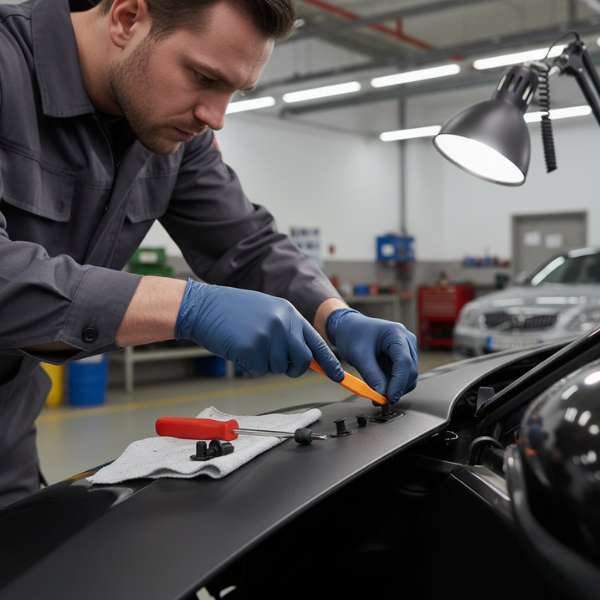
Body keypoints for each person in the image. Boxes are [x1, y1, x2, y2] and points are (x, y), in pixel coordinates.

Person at [0, 0, 418, 508]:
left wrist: (335, 315)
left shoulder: (171, 134)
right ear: (127, 18)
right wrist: (187, 306)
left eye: (233, 92)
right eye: (202, 77)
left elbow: (245, 243)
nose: (214, 117)